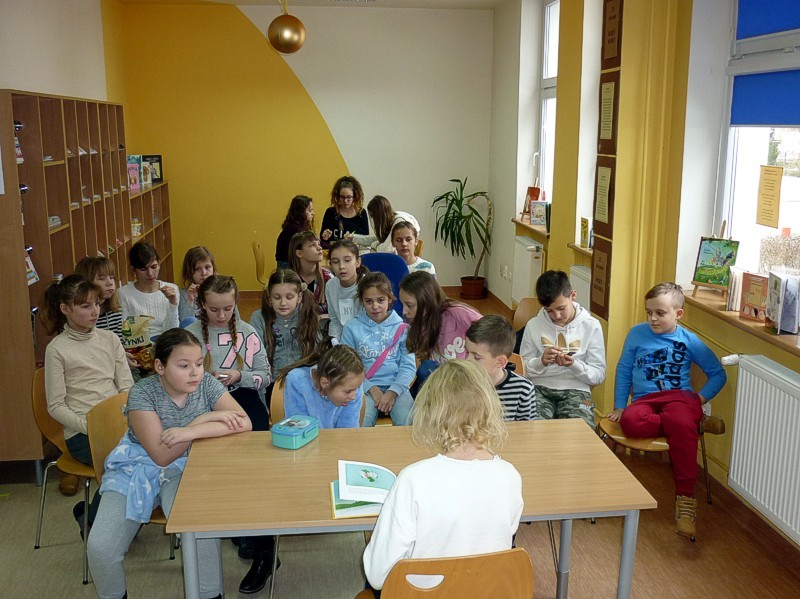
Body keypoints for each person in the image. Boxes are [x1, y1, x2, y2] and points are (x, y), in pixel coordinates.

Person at [87, 328, 251, 599]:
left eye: (198, 363)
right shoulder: (142, 392)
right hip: (136, 466)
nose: (195, 372)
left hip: (189, 467)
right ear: (160, 367)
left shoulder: (207, 384)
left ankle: (210, 595)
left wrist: (190, 430)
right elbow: (161, 455)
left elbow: (244, 422)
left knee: (198, 532)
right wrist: (202, 422)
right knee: (100, 546)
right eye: (184, 366)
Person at [362, 359, 523, 593]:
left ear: (430, 413)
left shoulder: (413, 480)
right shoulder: (510, 476)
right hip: (487, 592)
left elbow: (377, 575)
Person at [608, 282, 726, 539]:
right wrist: (620, 405)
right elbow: (624, 369)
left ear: (678, 314)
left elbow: (718, 373)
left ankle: (686, 501)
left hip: (679, 398)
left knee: (678, 418)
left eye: (660, 313)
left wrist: (698, 399)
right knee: (631, 422)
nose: (652, 318)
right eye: (649, 312)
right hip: (645, 400)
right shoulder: (636, 334)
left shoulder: (689, 341)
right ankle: (696, 423)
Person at [43, 274, 134, 528]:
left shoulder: (110, 339)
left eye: (97, 304)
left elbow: (127, 387)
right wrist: (90, 427)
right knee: (126, 463)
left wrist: (128, 418)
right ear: (65, 309)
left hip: (118, 424)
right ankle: (98, 523)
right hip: (82, 433)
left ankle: (98, 519)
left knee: (155, 452)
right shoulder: (57, 349)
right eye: (86, 306)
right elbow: (55, 406)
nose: (95, 311)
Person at [519, 270, 606, 428]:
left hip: (577, 389)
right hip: (539, 388)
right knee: (532, 429)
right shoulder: (533, 325)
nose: (557, 316)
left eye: (561, 308)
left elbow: (598, 375)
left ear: (573, 295)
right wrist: (541, 362)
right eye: (549, 311)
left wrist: (574, 364)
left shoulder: (591, 326)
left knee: (581, 432)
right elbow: (522, 369)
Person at [186, 275, 271, 432]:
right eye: (214, 309)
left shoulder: (248, 332)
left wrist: (239, 376)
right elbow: (180, 379)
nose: (221, 316)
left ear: (235, 303)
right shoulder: (189, 336)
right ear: (203, 304)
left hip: (246, 403)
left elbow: (265, 376)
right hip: (204, 405)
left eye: (227, 309)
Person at [341, 273, 416, 426]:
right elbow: (346, 366)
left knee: (409, 424)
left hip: (398, 388)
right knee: (359, 426)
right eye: (369, 301)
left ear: (390, 298)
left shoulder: (403, 328)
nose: (375, 306)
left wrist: (393, 391)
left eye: (381, 300)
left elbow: (408, 366)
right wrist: (372, 389)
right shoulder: (351, 327)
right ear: (361, 301)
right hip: (363, 388)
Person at [250, 269, 322, 412]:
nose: (283, 303)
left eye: (289, 297)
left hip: (304, 382)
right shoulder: (259, 318)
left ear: (299, 297)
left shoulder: (308, 316)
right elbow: (253, 357)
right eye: (277, 297)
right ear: (269, 298)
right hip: (272, 383)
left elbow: (317, 355)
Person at [465, 315, 537, 421]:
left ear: (500, 362)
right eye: (467, 352)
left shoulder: (523, 389)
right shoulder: (460, 384)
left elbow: (527, 428)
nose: (467, 360)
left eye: (477, 357)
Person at [281, 344, 365, 428]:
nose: (353, 397)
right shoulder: (297, 381)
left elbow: (348, 430)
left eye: (357, 388)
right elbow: (299, 429)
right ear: (325, 383)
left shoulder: (353, 384)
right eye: (348, 392)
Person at [118, 241, 179, 338]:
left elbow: (172, 331)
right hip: (139, 342)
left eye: (154, 267)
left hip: (165, 340)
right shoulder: (123, 293)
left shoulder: (172, 289)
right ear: (133, 269)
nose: (150, 273)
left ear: (159, 264)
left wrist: (173, 304)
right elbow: (126, 333)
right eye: (143, 269)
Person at [326, 239, 368, 340]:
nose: (341, 266)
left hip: (366, 339)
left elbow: (371, 322)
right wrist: (334, 344)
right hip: (343, 340)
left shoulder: (368, 285)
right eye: (335, 262)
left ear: (358, 262)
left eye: (347, 260)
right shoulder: (330, 285)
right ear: (330, 264)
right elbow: (335, 321)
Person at [74, 256, 124, 341]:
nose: (110, 283)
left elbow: (120, 343)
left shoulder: (115, 311)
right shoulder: (80, 315)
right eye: (101, 279)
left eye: (111, 277)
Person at [351, 195, 420, 254]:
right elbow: (378, 239)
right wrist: (354, 238)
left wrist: (374, 245)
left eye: (373, 216)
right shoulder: (391, 219)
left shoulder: (399, 222)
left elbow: (386, 248)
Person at [288, 230, 332, 314]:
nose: (319, 248)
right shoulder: (288, 279)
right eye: (312, 245)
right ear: (299, 253)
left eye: (319, 244)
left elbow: (333, 308)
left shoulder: (327, 277)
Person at [320, 175, 369, 249]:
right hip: (334, 251)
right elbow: (322, 238)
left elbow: (366, 238)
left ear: (355, 196)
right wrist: (325, 236)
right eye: (342, 197)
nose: (345, 201)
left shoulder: (361, 213)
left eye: (349, 197)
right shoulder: (330, 212)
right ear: (338, 196)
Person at [178, 246, 216, 324]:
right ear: (189, 272)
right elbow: (185, 323)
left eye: (207, 267)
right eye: (197, 269)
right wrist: (190, 301)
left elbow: (236, 320)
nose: (204, 273)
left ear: (213, 268)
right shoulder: (183, 295)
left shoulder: (223, 290)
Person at [275, 195, 314, 268]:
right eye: (310, 210)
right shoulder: (294, 229)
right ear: (301, 212)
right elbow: (311, 244)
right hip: (287, 267)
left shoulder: (295, 226)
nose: (313, 213)